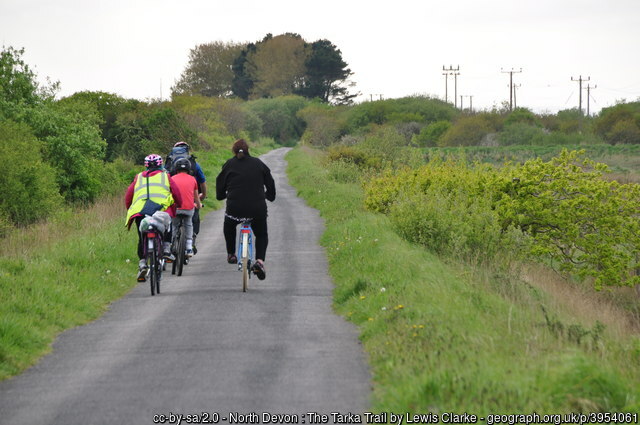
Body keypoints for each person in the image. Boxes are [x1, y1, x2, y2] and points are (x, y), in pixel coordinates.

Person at [216, 139, 276, 280]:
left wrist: (221, 196)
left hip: (234, 209)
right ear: (248, 150)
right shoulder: (258, 164)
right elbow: (270, 183)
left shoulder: (229, 165)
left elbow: (220, 183)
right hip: (257, 210)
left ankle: (231, 253)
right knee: (261, 234)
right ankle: (260, 261)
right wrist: (269, 196)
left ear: (234, 151)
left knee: (229, 227)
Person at [125, 154, 183, 281]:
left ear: (146, 166)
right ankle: (167, 249)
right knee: (168, 224)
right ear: (160, 164)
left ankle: (142, 263)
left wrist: (130, 209)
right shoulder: (165, 176)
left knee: (142, 236)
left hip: (140, 211)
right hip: (161, 209)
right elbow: (176, 192)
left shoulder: (138, 177)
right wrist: (179, 204)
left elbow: (128, 196)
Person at [165, 141, 207, 253]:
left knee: (173, 224)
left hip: (175, 204)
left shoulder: (169, 164)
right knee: (191, 222)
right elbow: (202, 181)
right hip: (190, 201)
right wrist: (202, 197)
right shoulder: (193, 165)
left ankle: (170, 245)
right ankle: (190, 244)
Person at [170, 157, 202, 257]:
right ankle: (188, 248)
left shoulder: (171, 179)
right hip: (188, 208)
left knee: (174, 225)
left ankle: (172, 244)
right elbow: (196, 197)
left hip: (175, 209)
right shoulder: (193, 179)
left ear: (176, 169)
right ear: (189, 169)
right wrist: (199, 205)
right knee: (188, 224)